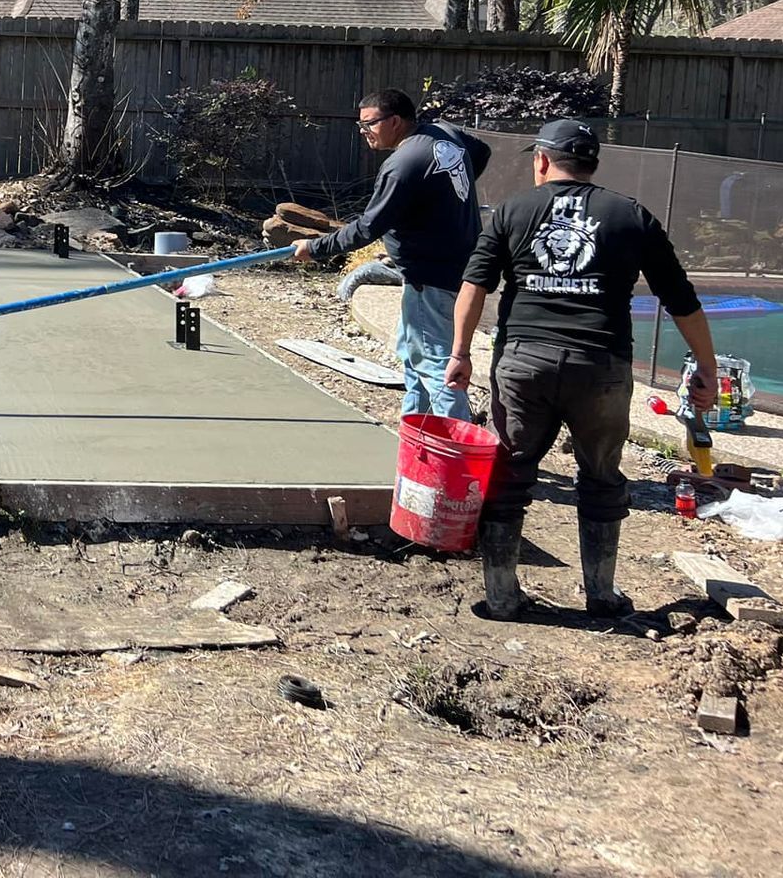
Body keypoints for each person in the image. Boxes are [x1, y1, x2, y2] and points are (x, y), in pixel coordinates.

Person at [445, 119, 715, 620]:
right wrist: (706, 366)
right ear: (590, 164)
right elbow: (681, 299)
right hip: (602, 366)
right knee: (601, 476)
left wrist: (460, 353)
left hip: (525, 361)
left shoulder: (512, 210)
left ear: (542, 160)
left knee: (509, 474)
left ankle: (502, 597)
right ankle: (601, 594)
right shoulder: (630, 215)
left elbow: (473, 286)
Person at [290, 88, 490, 419]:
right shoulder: (445, 134)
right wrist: (440, 193)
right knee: (416, 362)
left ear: (394, 121)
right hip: (453, 266)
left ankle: (457, 456)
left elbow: (368, 227)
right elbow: (480, 152)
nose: (363, 131)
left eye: (369, 123)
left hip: (430, 277)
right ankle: (418, 440)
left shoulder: (402, 166)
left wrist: (315, 248)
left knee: (436, 364)